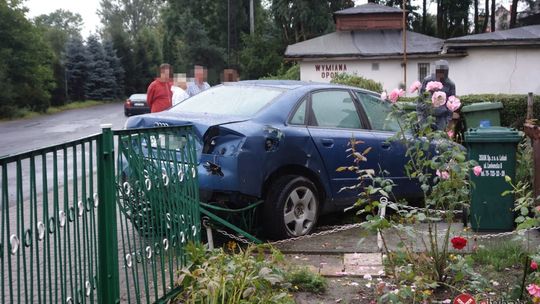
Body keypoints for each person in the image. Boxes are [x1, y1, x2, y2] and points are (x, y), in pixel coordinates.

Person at [416, 59, 456, 131]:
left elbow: (451, 103)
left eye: (442, 72)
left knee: (439, 139)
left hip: (441, 118)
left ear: (446, 72)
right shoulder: (427, 80)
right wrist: (419, 115)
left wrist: (448, 120)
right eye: (438, 71)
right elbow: (420, 99)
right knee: (425, 137)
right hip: (426, 116)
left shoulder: (450, 84)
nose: (440, 74)